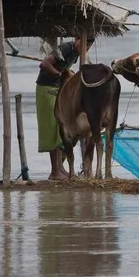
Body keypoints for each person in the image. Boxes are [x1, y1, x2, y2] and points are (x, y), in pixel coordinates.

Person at [35, 36, 94, 180]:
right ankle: (55, 172)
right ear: (77, 39)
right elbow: (44, 64)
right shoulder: (67, 48)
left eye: (88, 47)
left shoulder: (77, 53)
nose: (85, 49)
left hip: (58, 89)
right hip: (46, 88)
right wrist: (61, 75)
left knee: (61, 128)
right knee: (52, 127)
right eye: (84, 44)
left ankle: (60, 169)